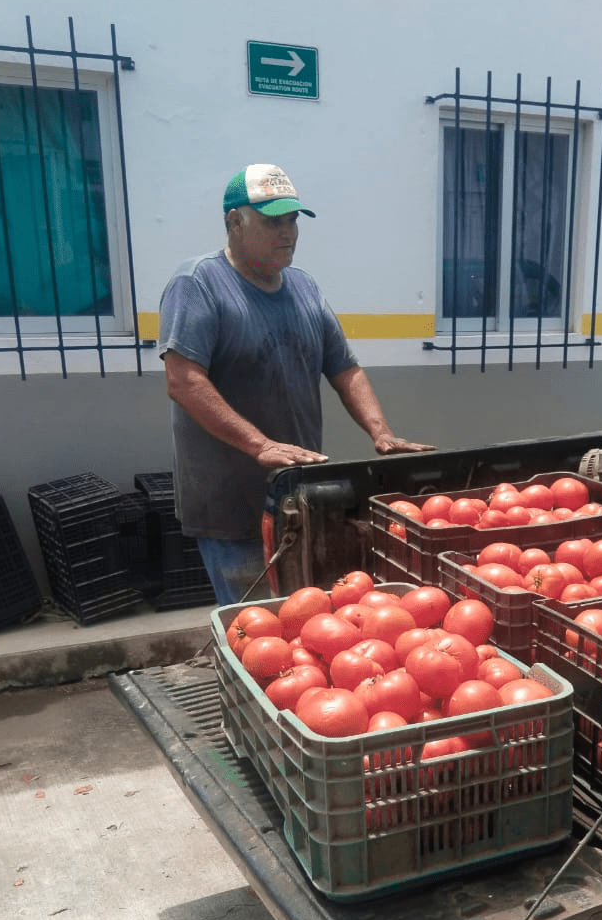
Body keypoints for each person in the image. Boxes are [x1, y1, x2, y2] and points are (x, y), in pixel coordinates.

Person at [157, 162, 434, 605]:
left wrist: (380, 432)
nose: (287, 232)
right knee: (258, 628)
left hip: (300, 499)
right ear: (235, 222)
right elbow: (184, 381)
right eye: (272, 222)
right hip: (233, 506)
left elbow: (345, 368)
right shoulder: (198, 284)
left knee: (309, 624)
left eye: (292, 220)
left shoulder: (304, 287)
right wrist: (258, 444)